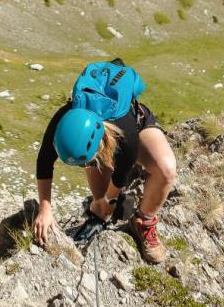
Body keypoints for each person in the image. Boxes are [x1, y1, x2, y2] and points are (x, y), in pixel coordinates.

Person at [32, 60, 177, 265]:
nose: (85, 167)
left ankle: (143, 222)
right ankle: (100, 203)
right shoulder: (62, 120)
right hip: (101, 141)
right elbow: (44, 162)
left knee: (166, 170)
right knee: (102, 207)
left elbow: (122, 173)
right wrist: (45, 209)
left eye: (87, 162)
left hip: (136, 125)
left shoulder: (126, 135)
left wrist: (109, 200)